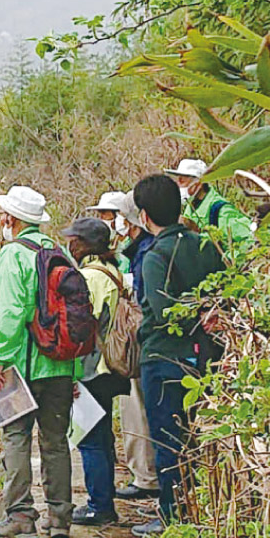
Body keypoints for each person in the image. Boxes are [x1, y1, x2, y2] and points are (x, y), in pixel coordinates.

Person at [0, 185, 78, 538]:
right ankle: (60, 518)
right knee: (56, 442)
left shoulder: (14, 255)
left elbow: (11, 311)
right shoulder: (57, 252)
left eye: (2, 216)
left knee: (16, 437)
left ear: (11, 219)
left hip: (24, 368)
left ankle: (21, 517)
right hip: (60, 365)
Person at [130, 175, 225, 537]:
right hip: (206, 354)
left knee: (168, 438)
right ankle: (201, 507)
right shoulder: (204, 246)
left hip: (164, 356)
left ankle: (173, 516)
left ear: (144, 215)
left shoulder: (156, 255)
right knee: (195, 435)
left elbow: (162, 309)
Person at [61, 217, 131, 527]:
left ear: (84, 244)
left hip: (92, 368)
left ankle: (99, 505)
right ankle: (104, 498)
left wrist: (72, 371)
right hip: (111, 368)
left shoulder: (89, 277)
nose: (69, 245)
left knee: (89, 438)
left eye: (73, 240)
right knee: (102, 437)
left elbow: (82, 326)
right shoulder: (112, 271)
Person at [113, 192, 160, 502]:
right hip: (153, 345)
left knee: (139, 410)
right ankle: (147, 477)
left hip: (147, 346)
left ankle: (148, 479)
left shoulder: (146, 254)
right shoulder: (139, 251)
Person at [166, 158, 254, 245]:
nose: (178, 185)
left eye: (182, 181)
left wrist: (226, 257)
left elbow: (251, 238)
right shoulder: (191, 206)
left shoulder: (221, 211)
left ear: (198, 183)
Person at [85, 192, 131, 273]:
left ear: (119, 215)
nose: (101, 217)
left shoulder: (132, 245)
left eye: (104, 213)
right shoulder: (105, 243)